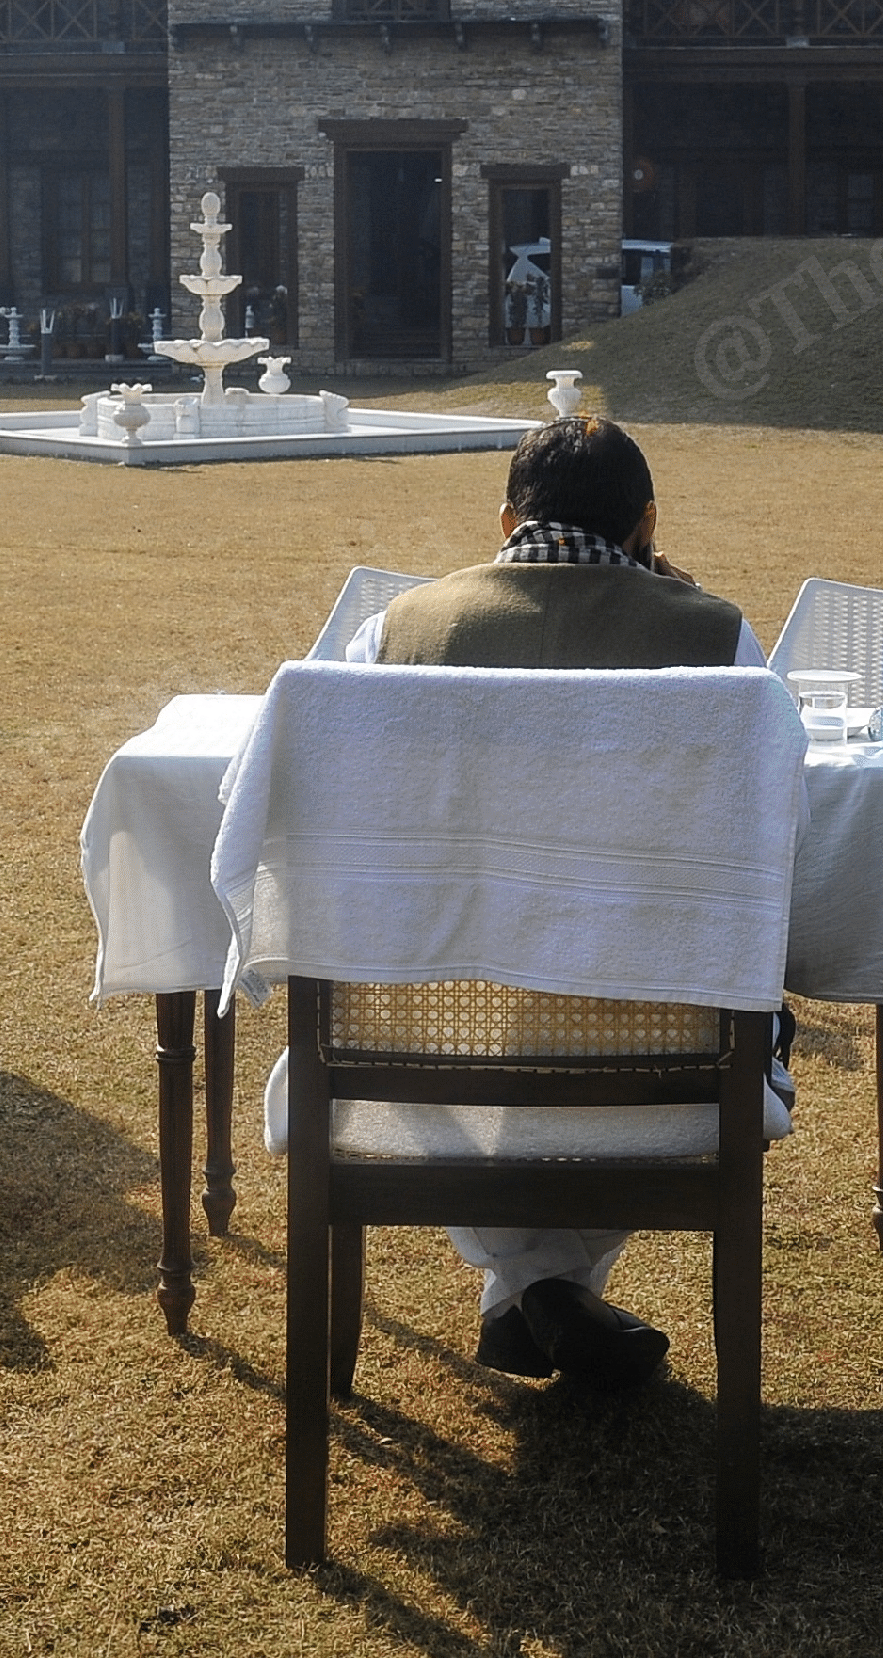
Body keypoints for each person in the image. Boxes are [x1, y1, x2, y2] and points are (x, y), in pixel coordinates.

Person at [340, 414, 774, 1394]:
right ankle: (547, 1288)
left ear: (505, 522)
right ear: (647, 521)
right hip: (661, 1049)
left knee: (495, 996)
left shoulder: (394, 634)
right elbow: (775, 837)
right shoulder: (714, 635)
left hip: (432, 1046)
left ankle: (533, 1293)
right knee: (663, 990)